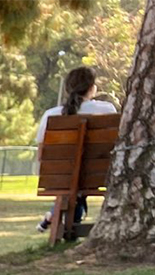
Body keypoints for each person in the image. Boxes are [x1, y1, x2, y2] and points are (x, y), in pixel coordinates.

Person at [36, 65, 117, 233]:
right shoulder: (107, 110)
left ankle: (53, 217)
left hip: (58, 177)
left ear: (67, 89)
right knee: (80, 183)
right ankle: (58, 218)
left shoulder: (51, 115)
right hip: (99, 176)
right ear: (92, 87)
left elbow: (41, 154)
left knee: (72, 185)